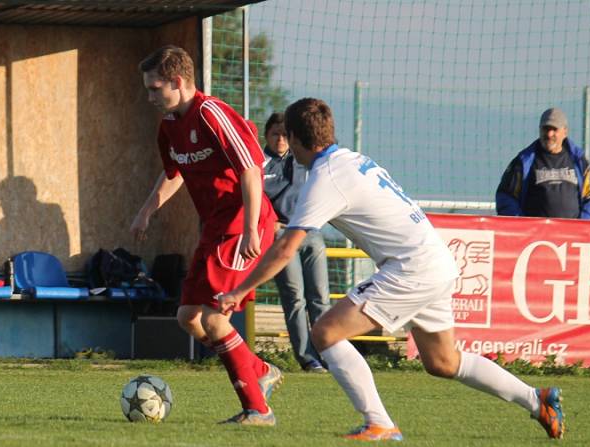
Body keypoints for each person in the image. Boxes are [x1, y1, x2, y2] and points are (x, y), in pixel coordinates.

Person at [219, 98, 565, 440]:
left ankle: (379, 423)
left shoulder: (324, 177)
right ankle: (537, 399)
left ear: (294, 139)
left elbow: (285, 248)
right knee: (443, 361)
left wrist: (237, 291)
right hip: (435, 260)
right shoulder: (352, 159)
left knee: (324, 333)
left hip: (410, 267)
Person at [130, 45, 282, 425]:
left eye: (154, 88)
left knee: (215, 317)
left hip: (241, 222)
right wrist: (147, 210)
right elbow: (173, 173)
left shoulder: (211, 112)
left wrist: (250, 228)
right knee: (188, 318)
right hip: (214, 226)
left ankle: (257, 409)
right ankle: (258, 370)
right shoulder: (168, 126)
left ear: (178, 83)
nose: (149, 96)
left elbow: (250, 169)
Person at [261, 112, 330, 373]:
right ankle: (307, 357)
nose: (280, 139)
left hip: (310, 231)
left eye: (284, 134)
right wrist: (270, 225)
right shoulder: (259, 163)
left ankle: (329, 352)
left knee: (320, 296)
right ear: (266, 136)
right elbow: (252, 197)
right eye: (275, 134)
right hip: (280, 235)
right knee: (295, 297)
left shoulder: (303, 159)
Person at [496, 107, 590, 219]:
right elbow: (505, 196)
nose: (549, 134)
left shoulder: (579, 161)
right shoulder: (524, 162)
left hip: (572, 234)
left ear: (565, 132)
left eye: (554, 129)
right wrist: (522, 225)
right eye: (545, 128)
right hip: (536, 235)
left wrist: (582, 225)